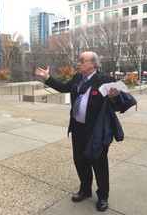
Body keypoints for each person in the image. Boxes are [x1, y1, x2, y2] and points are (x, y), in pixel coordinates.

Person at [35, 51, 121, 212]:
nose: (78, 63)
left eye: (82, 61)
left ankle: (103, 195)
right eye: (79, 60)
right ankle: (85, 189)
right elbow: (63, 88)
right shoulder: (77, 78)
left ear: (93, 64)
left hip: (96, 130)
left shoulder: (105, 80)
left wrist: (113, 97)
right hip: (78, 128)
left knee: (99, 162)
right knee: (80, 160)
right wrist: (47, 77)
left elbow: (117, 105)